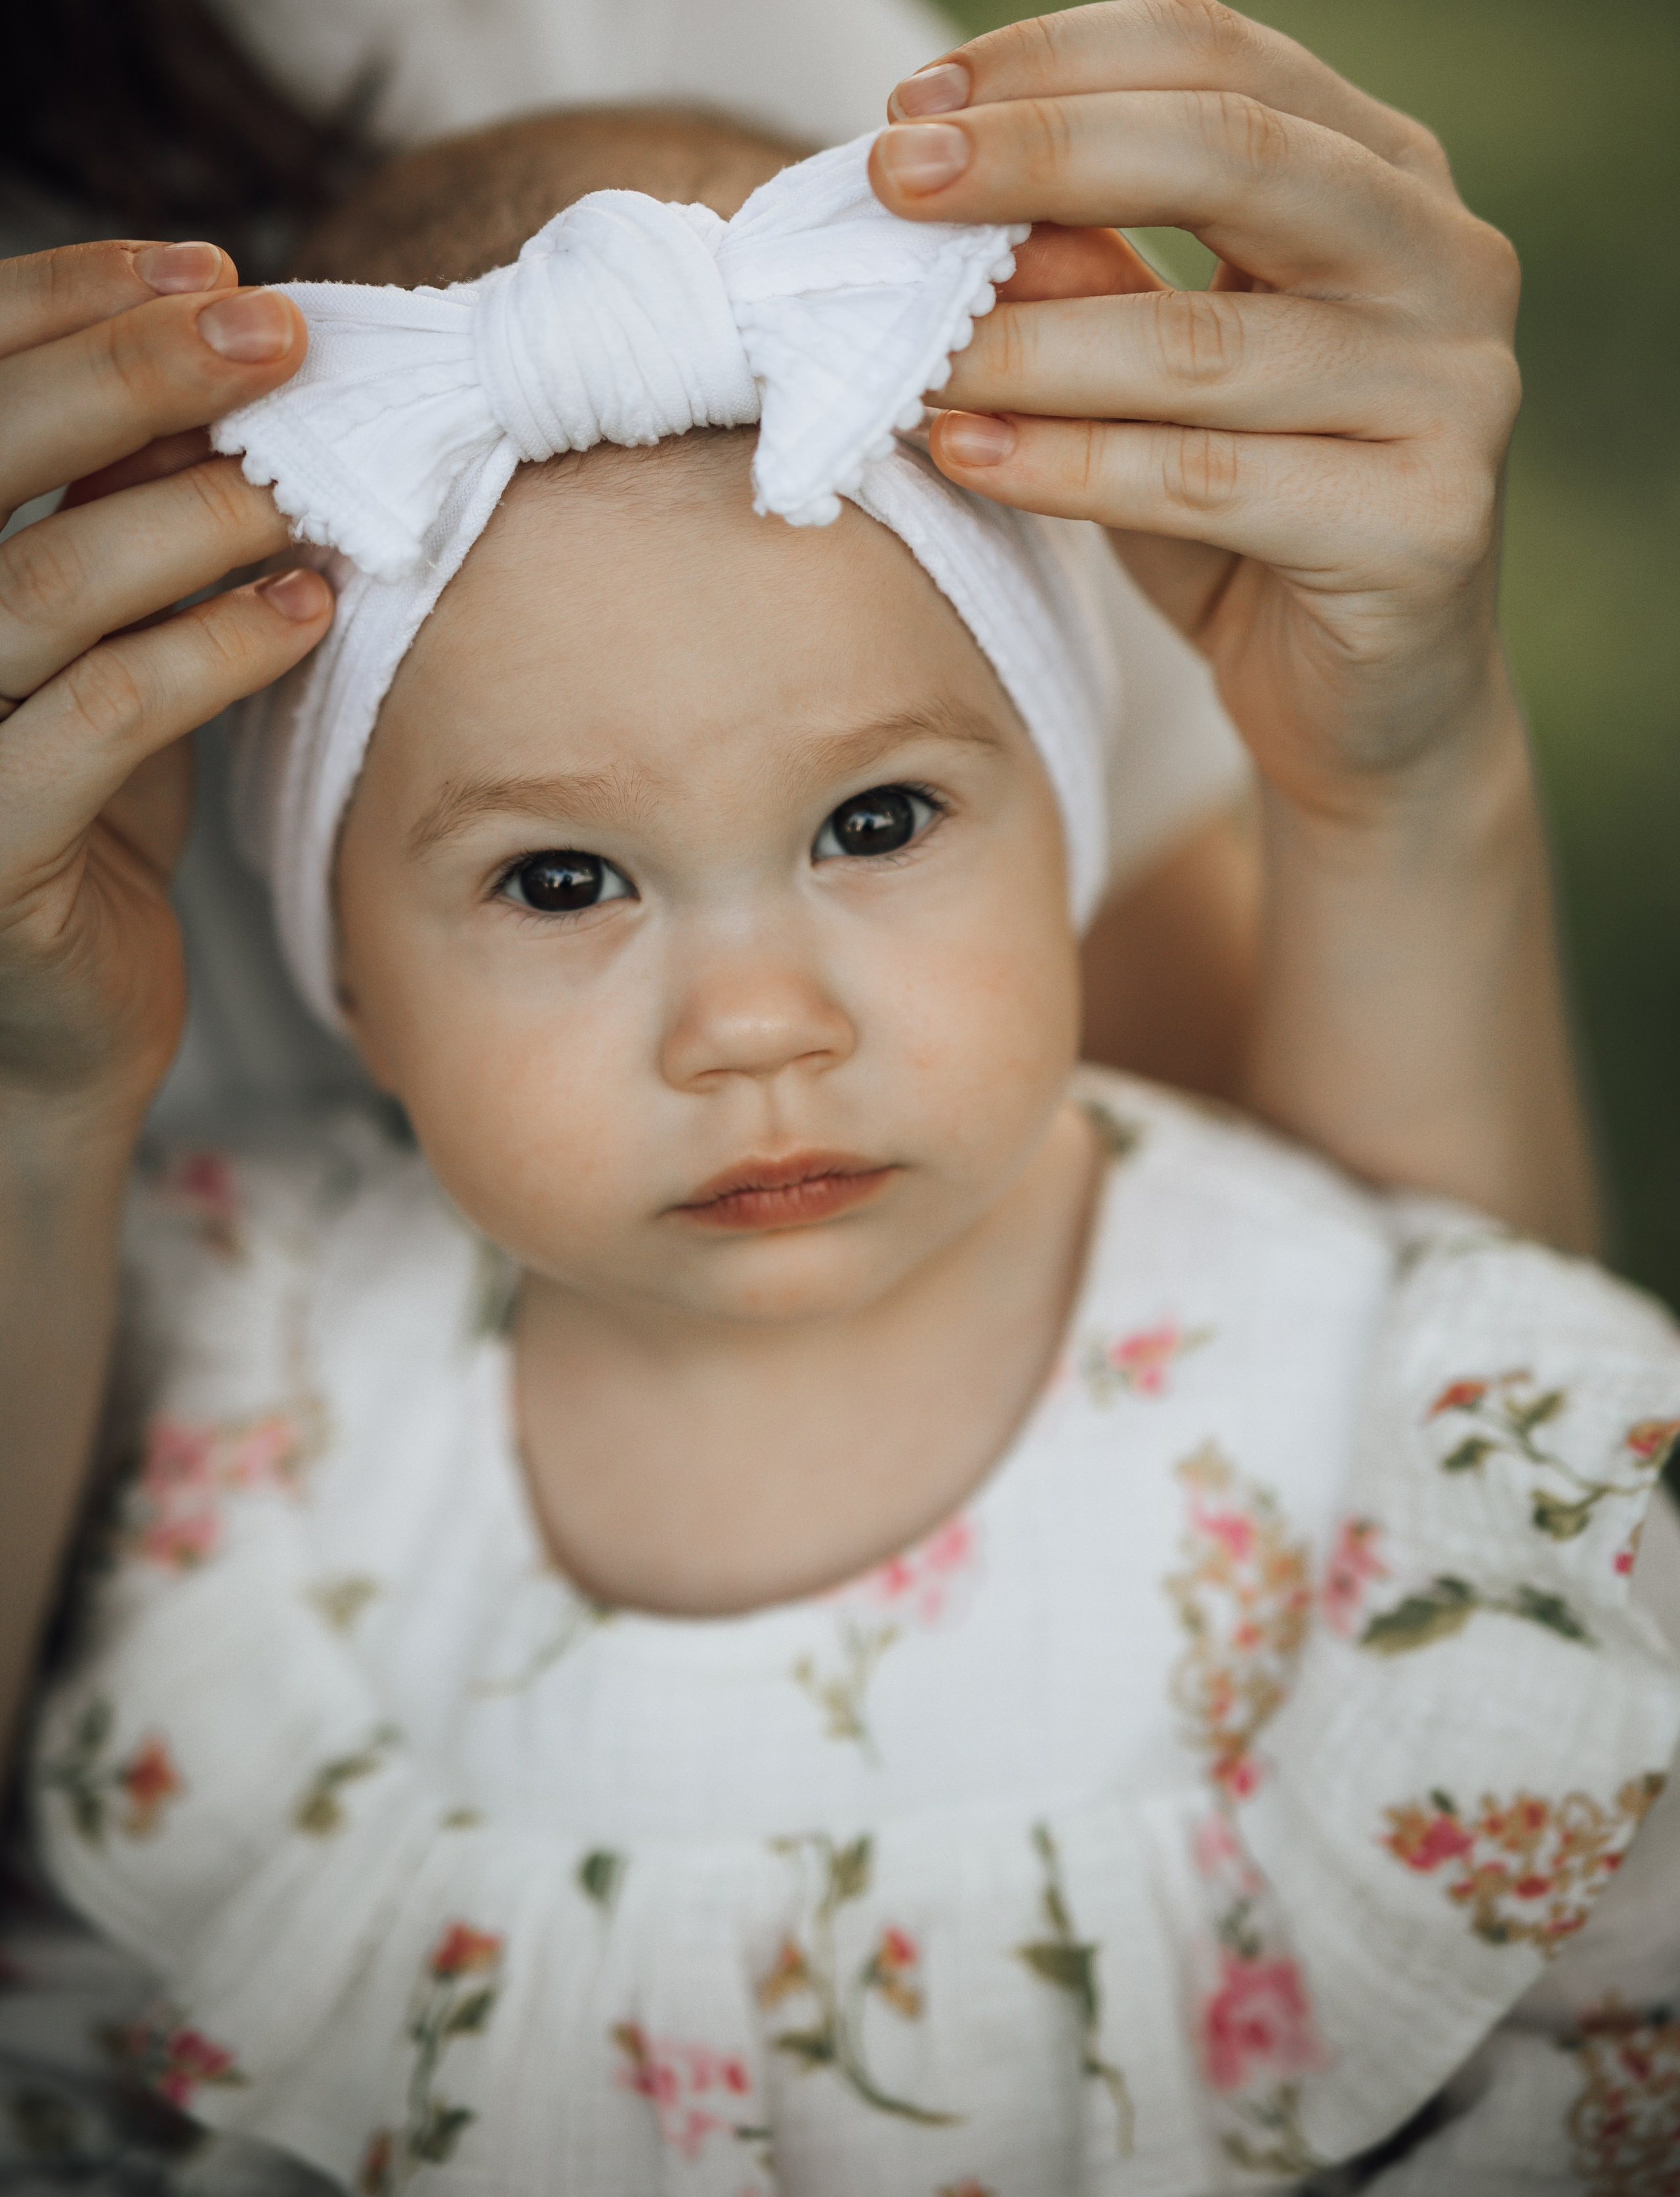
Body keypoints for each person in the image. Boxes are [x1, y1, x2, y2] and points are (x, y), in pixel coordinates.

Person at [20, 107, 1680, 2194]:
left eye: (875, 823)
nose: (755, 1025)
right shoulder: (226, 1371)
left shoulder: (1355, 1341)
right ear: (336, 951)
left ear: (1061, 801)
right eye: (557, 881)